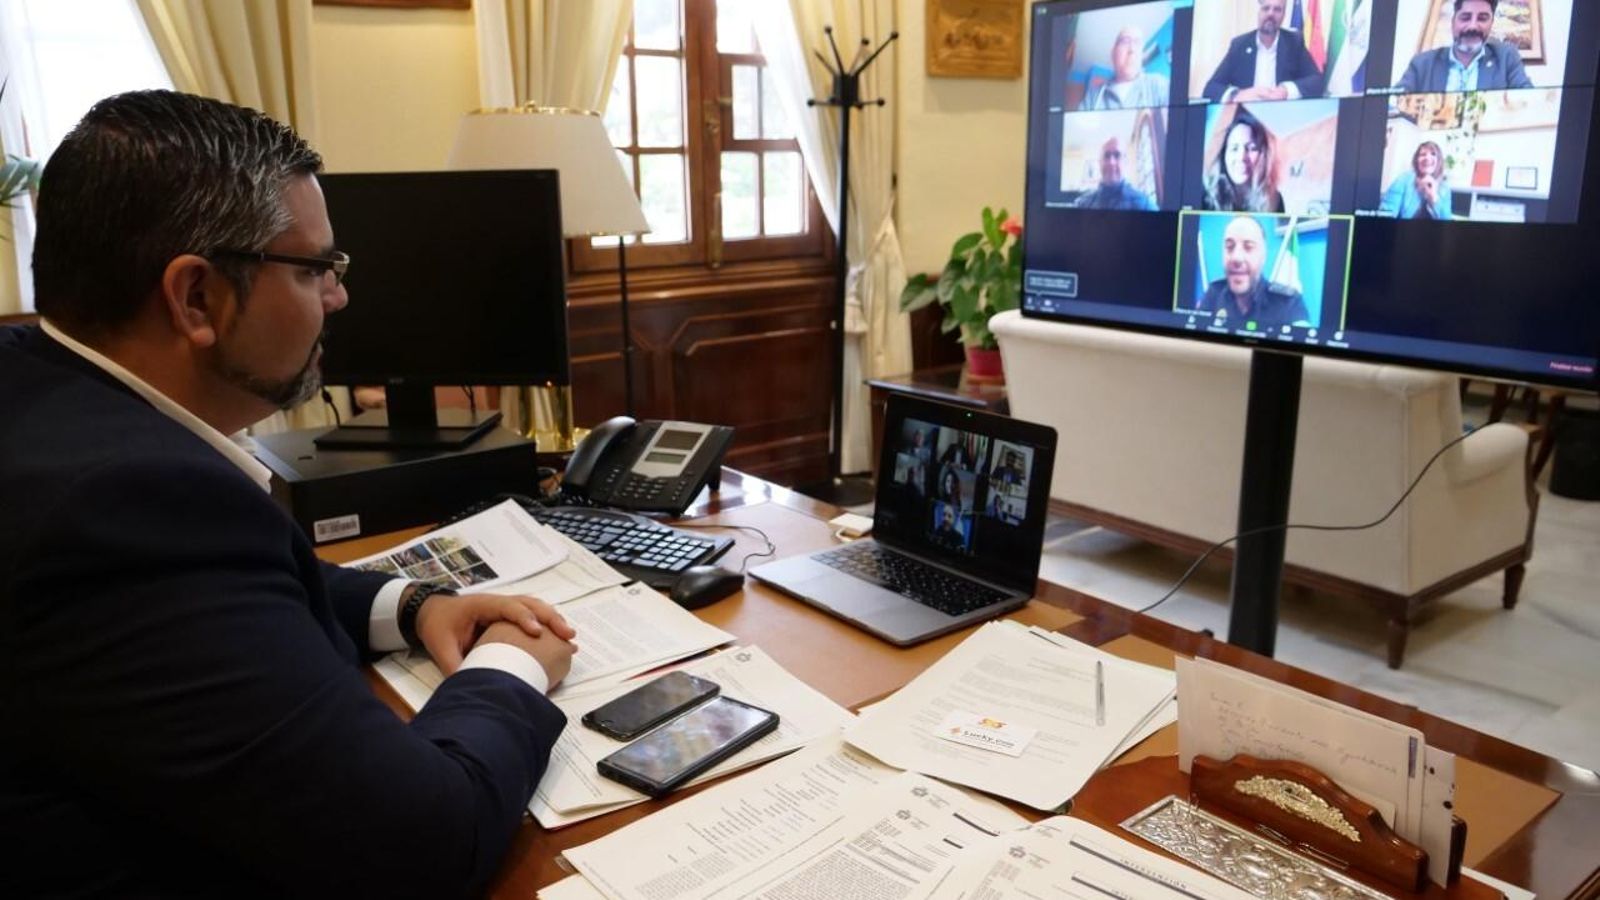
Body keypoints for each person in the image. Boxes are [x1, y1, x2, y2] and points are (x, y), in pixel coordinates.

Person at [0, 91, 578, 898]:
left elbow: (229, 590)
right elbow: (423, 844)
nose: (339, 298)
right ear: (195, 297)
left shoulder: (34, 381)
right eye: (315, 269)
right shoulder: (125, 509)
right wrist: (513, 665)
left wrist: (412, 606)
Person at [1195, 215, 1311, 331]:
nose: (1236, 258)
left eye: (1248, 247)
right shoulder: (1214, 294)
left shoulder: (1289, 303)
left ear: (1263, 256)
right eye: (1229, 247)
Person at [1396, 0, 1532, 93]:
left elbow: (1529, 98)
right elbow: (1394, 104)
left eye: (1482, 18)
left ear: (1491, 23)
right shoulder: (1422, 64)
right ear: (1453, 21)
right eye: (1465, 17)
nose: (1473, 26)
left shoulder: (1506, 58)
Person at [1202, 0, 1324, 102]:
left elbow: (1316, 81)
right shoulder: (1239, 45)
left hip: (1284, 113)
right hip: (1247, 115)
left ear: (1283, 15)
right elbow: (1211, 88)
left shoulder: (1294, 43)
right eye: (1266, 8)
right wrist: (1237, 95)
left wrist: (1286, 90)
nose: (1270, 14)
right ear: (1259, 12)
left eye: (1277, 9)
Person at [1202, 111, 1284, 213]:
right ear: (1223, 155)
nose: (1241, 157)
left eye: (1251, 148)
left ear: (1263, 155)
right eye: (1234, 148)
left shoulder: (1274, 199)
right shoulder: (1205, 196)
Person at [1084, 26, 1170, 110]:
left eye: (1137, 43)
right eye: (1125, 41)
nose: (1132, 49)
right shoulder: (1093, 98)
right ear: (1113, 53)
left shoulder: (1160, 85)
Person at [1075, 137, 1159, 211]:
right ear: (1100, 163)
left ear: (1125, 162)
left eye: (1117, 155)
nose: (1111, 162)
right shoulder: (1082, 204)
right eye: (1106, 156)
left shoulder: (1146, 205)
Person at [1379, 141, 1454, 220]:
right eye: (1423, 154)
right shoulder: (1403, 179)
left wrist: (1433, 197)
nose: (1427, 158)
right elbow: (1386, 214)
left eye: (1433, 154)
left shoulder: (1445, 187)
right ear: (1416, 160)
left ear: (1439, 161)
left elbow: (1447, 221)